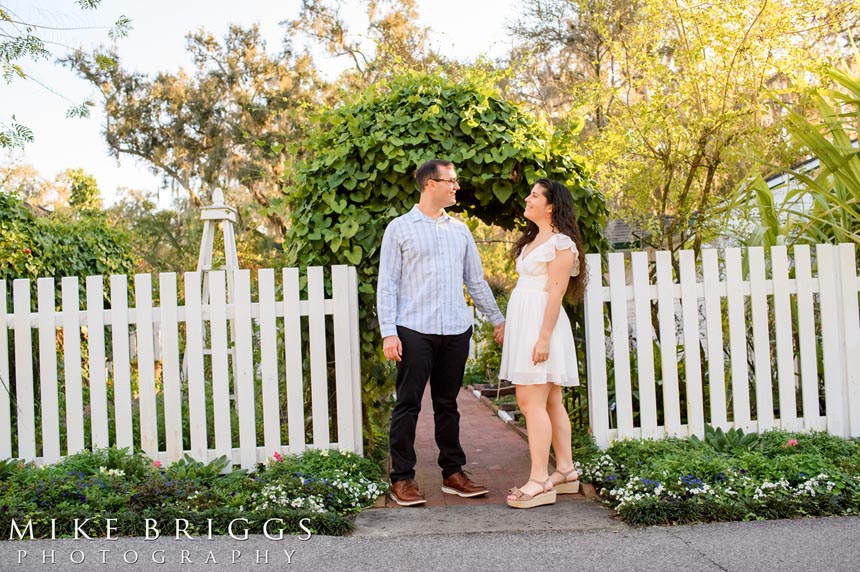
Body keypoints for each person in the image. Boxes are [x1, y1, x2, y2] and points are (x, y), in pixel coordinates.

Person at [377, 159, 506, 507]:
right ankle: (402, 479)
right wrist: (389, 332)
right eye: (451, 181)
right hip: (414, 329)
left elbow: (475, 281)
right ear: (430, 184)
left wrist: (497, 319)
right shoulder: (400, 229)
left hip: (454, 329)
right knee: (407, 405)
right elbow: (386, 284)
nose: (456, 187)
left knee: (448, 405)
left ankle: (453, 473)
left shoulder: (460, 231)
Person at [498, 178, 587, 509]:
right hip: (527, 325)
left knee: (528, 400)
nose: (527, 198)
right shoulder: (533, 241)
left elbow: (556, 292)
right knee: (550, 400)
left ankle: (539, 480)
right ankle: (565, 470)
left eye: (534, 195)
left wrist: (544, 338)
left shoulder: (561, 244)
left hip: (542, 327)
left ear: (551, 206)